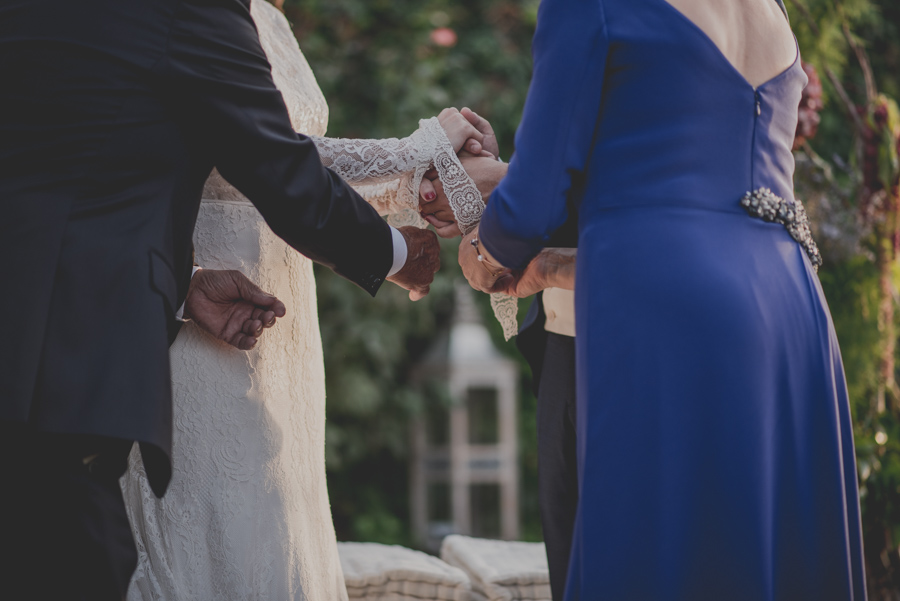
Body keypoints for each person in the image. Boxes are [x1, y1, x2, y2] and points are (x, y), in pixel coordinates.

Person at [0, 0, 448, 598]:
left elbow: (75, 168)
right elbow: (275, 163)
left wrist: (182, 283)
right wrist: (395, 252)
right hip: (66, 362)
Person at [457, 0, 866, 599]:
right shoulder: (770, 7)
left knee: (656, 559)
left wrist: (484, 251)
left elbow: (533, 202)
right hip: (789, 306)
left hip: (666, 311)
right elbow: (681, 164)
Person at [119, 2, 485, 599]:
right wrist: (416, 151)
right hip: (200, 311)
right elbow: (257, 153)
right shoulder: (180, 11)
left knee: (279, 522)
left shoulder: (271, 17)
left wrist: (414, 187)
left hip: (285, 319)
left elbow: (293, 166)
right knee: (209, 519)